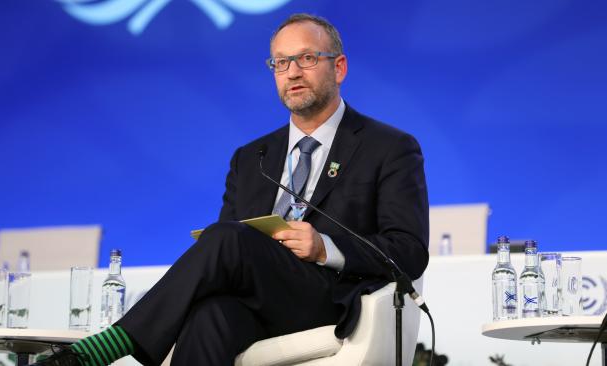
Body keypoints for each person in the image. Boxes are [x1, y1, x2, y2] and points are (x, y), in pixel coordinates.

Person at [34, 13, 429, 366]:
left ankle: (104, 347)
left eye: (306, 59)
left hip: (329, 298)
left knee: (226, 238)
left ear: (338, 67)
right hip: (260, 297)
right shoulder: (251, 156)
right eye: (280, 62)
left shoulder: (389, 147)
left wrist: (326, 247)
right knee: (212, 316)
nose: (292, 72)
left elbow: (409, 251)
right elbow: (231, 257)